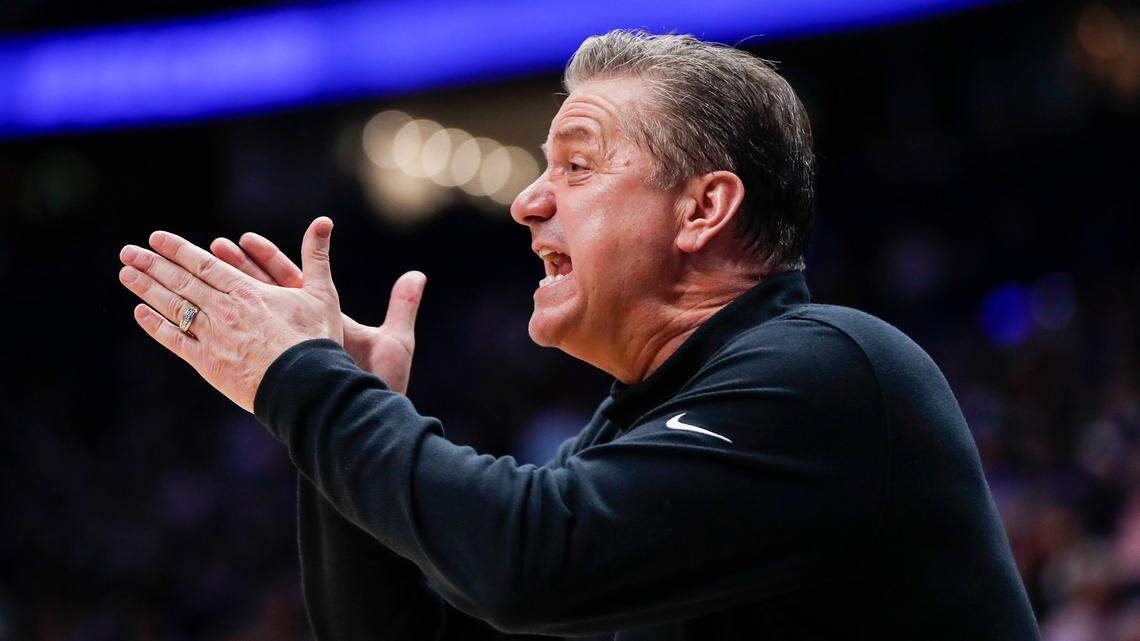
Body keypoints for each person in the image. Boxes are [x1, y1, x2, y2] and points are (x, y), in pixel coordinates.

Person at [116, 30, 1041, 640]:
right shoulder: (629, 437)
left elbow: (526, 557)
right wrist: (342, 429)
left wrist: (307, 387)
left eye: (578, 165)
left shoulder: (829, 370)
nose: (527, 201)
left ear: (703, 208)